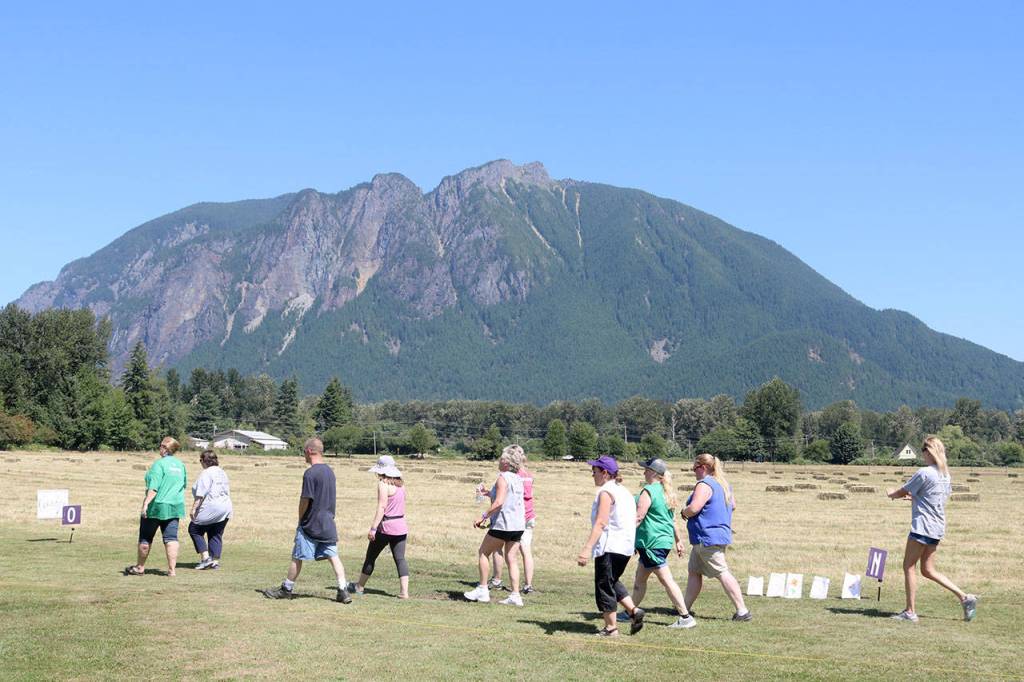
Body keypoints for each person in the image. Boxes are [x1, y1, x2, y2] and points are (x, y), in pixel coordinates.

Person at [887, 436, 978, 622]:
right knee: (928, 570)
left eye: (923, 450)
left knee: (908, 566)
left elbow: (903, 490)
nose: (922, 454)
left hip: (922, 526)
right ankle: (965, 598)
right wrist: (916, 499)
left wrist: (891, 494)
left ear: (929, 452)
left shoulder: (924, 472)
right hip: (936, 527)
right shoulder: (945, 475)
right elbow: (936, 498)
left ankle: (910, 612)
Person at [263, 438, 351, 603]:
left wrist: (300, 519)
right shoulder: (329, 472)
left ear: (310, 451)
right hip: (328, 522)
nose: (303, 455)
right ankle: (343, 590)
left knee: (297, 556)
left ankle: (286, 589)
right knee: (334, 557)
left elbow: (306, 500)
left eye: (304, 451)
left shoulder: (310, 473)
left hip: (311, 523)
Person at [576, 455, 644, 637]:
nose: (593, 475)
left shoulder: (606, 492)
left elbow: (601, 522)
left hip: (610, 546)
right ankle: (634, 611)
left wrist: (587, 548)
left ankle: (610, 628)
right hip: (625, 547)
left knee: (603, 585)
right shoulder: (624, 491)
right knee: (612, 580)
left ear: (605, 473)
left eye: (595, 471)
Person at [624, 458, 695, 629]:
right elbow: (672, 521)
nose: (644, 472)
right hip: (660, 542)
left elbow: (639, 517)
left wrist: (624, 535)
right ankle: (630, 612)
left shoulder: (648, 491)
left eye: (646, 470)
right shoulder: (666, 492)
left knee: (667, 580)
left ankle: (685, 617)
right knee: (639, 581)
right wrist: (678, 541)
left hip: (651, 543)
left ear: (654, 473)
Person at [679, 453, 751, 622]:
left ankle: (742, 611)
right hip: (712, 536)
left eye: (694, 468)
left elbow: (695, 508)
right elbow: (733, 506)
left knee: (721, 572)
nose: (693, 472)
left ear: (703, 468)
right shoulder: (723, 484)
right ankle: (684, 609)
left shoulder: (704, 484)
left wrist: (684, 512)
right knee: (694, 572)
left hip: (707, 537)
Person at [464, 445, 527, 607]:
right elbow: (504, 496)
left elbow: (499, 502)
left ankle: (482, 589)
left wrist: (483, 516)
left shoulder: (502, 477)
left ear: (506, 462)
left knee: (483, 552)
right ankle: (515, 595)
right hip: (518, 526)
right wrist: (487, 492)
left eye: (501, 458)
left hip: (503, 525)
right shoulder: (518, 479)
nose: (499, 460)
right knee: (511, 559)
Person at [347, 455, 410, 599]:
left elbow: (382, 507)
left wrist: (373, 528)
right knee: (400, 559)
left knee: (371, 557)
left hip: (386, 527)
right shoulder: (401, 484)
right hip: (401, 526)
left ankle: (359, 586)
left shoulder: (383, 484)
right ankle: (404, 592)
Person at [125, 436, 187, 577]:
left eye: (161, 445)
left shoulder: (159, 464)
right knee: (171, 538)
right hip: (174, 506)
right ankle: (172, 570)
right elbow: (183, 485)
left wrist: (146, 504)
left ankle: (140, 567)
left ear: (166, 448)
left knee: (145, 538)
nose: (159, 447)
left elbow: (154, 488)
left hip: (156, 506)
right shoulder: (181, 465)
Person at [489, 445, 537, 594]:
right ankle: (527, 585)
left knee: (499, 549)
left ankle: (496, 579)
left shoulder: (511, 476)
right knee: (525, 551)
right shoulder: (528, 475)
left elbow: (506, 498)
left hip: (514, 519)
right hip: (529, 516)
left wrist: (486, 514)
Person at [188, 449, 232, 570]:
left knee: (194, 529)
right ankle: (214, 561)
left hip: (212, 506)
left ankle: (206, 558)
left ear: (204, 461)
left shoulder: (206, 473)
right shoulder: (222, 472)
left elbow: (201, 493)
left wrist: (193, 509)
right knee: (215, 533)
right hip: (225, 507)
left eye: (200, 460)